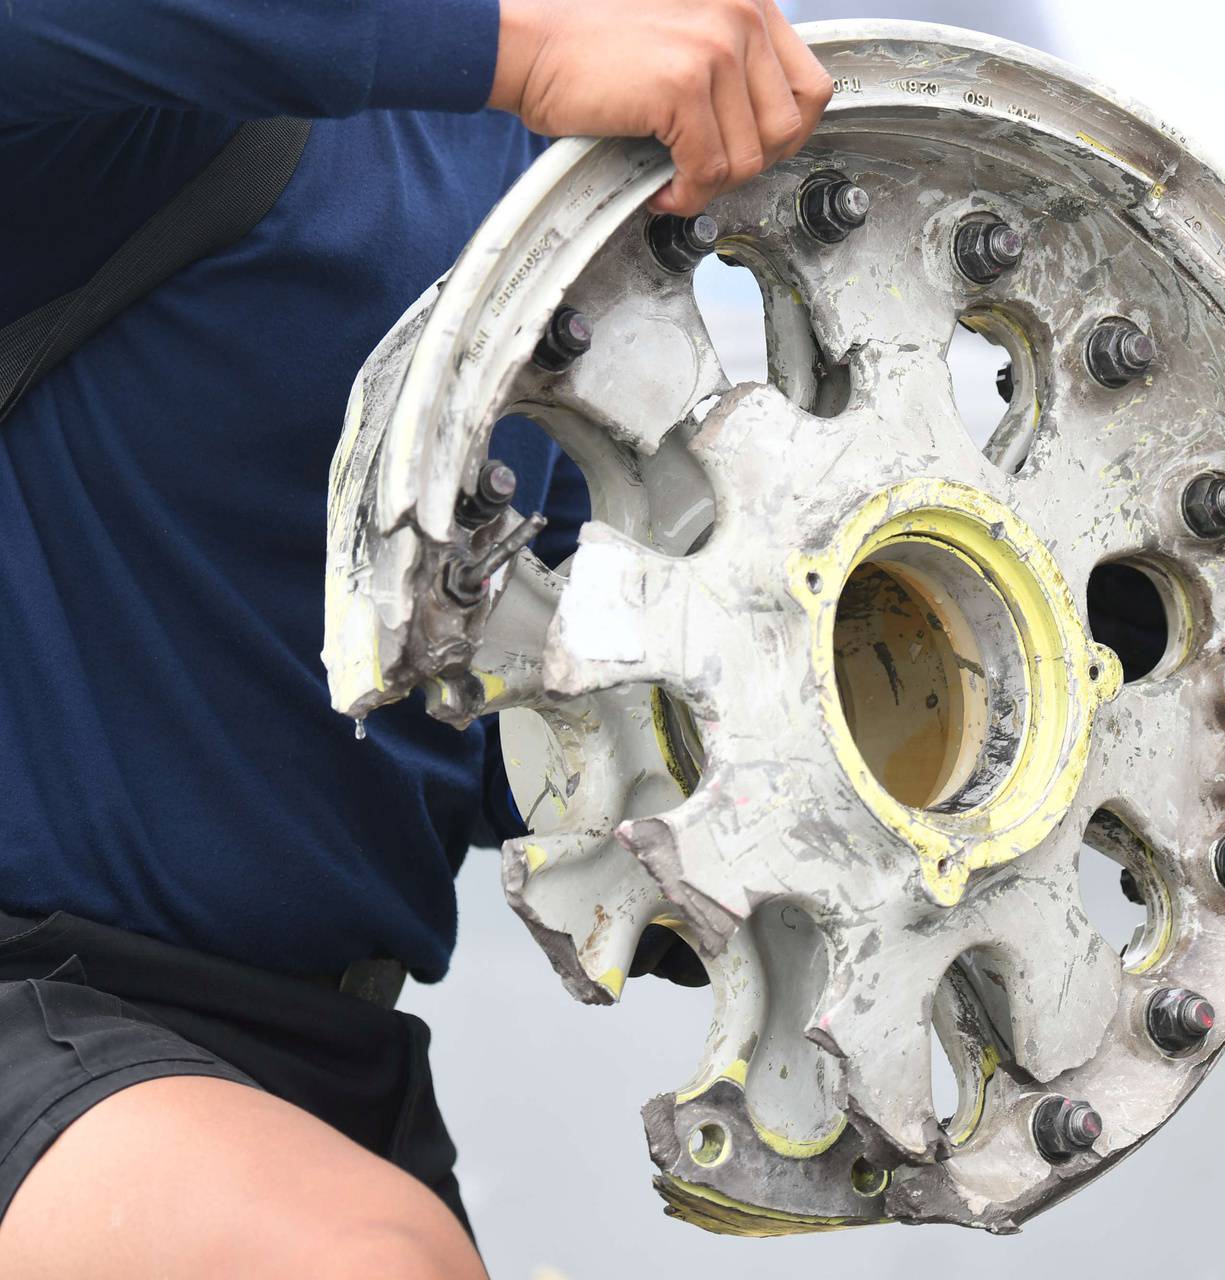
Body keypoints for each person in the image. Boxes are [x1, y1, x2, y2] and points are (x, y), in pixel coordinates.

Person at [0, 1, 828, 1275]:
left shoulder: (538, 192)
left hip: (322, 1070)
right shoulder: (174, 90)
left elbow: (514, 708)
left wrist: (1151, 589)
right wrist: (517, 41)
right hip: (40, 1011)